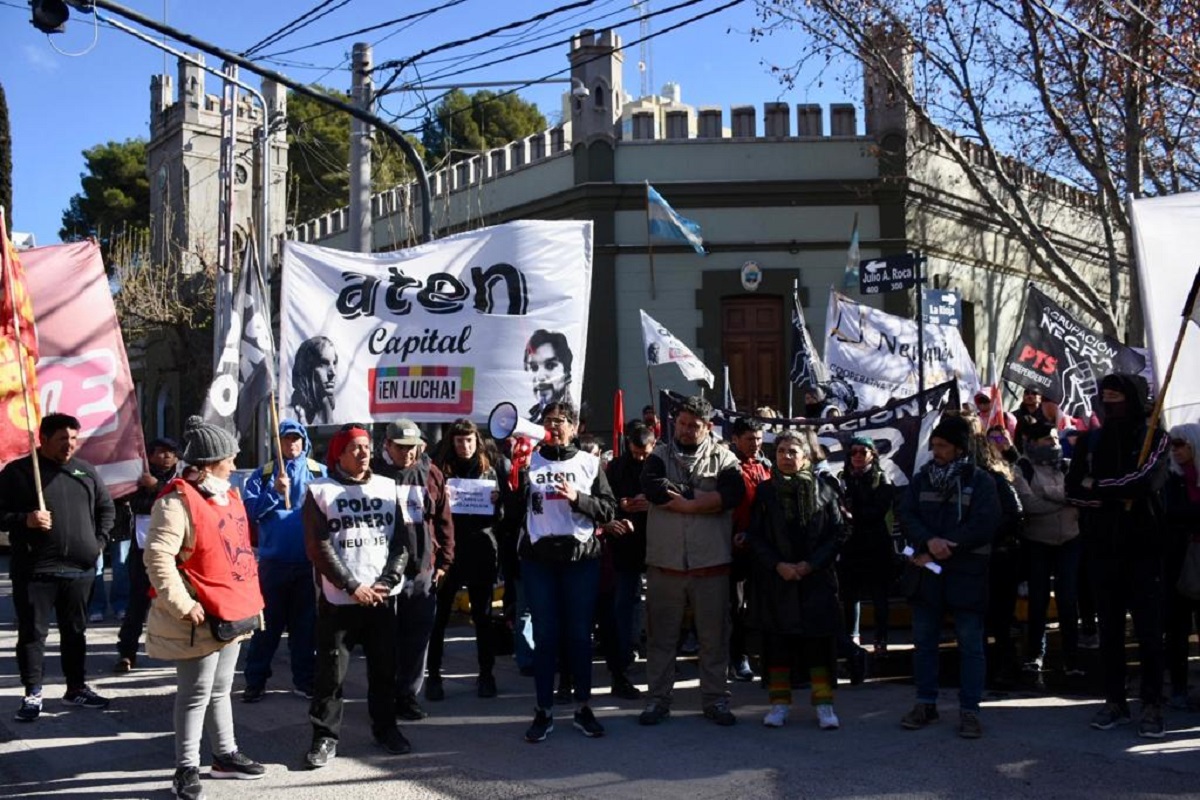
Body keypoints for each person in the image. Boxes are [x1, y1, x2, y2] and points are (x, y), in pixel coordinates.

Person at [143, 416, 266, 799]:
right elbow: (158, 556)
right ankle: (186, 767)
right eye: (230, 458)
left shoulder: (229, 494)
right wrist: (181, 604)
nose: (234, 464)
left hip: (231, 609)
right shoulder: (176, 501)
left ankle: (225, 755)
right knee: (195, 693)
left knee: (221, 688)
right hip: (198, 613)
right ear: (212, 462)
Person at [303, 425, 413, 769]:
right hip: (339, 599)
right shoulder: (320, 491)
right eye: (354, 448)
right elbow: (318, 546)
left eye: (366, 446)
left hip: (382, 597)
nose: (363, 453)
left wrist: (388, 579)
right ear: (338, 454)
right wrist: (352, 585)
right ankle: (324, 737)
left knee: (384, 670)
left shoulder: (387, 486)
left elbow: (402, 543)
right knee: (331, 674)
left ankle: (385, 728)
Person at [1066, 374, 1169, 738]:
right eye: (1105, 399)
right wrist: (1112, 492)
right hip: (1102, 549)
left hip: (1144, 549)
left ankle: (1153, 703)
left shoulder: (1155, 437)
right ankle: (1114, 700)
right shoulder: (1092, 440)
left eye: (1118, 399)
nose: (1111, 406)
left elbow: (1146, 482)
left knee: (1148, 632)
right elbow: (1073, 489)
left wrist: (1101, 488)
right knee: (1109, 630)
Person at [639, 396, 746, 727]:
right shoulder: (658, 455)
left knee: (713, 638)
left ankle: (715, 700)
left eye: (693, 426)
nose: (685, 430)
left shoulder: (725, 458)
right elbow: (654, 488)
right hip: (664, 564)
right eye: (682, 423)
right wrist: (702, 499)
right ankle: (657, 700)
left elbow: (733, 494)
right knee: (661, 639)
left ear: (708, 427)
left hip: (710, 564)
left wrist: (686, 504)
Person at [2, 413, 116, 722]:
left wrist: (98, 543)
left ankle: (76, 687)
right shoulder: (18, 473)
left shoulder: (85, 472)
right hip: (35, 570)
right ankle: (33, 692)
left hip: (79, 570)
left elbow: (106, 508)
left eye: (74, 439)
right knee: (32, 635)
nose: (70, 445)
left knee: (75, 633)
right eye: (63, 439)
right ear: (44, 439)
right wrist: (24, 519)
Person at [515, 400, 617, 742]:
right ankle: (543, 710)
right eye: (548, 421)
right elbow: (513, 510)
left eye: (560, 421)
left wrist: (578, 499)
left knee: (578, 636)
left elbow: (608, 510)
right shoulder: (529, 458)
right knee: (545, 637)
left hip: (580, 559)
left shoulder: (589, 463)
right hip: (539, 560)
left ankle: (582, 707)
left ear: (575, 428)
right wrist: (514, 476)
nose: (554, 426)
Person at [898, 413, 1001, 739]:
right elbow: (907, 515)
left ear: (959, 449)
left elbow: (986, 522)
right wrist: (928, 541)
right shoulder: (922, 478)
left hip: (967, 574)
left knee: (971, 645)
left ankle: (970, 710)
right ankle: (925, 703)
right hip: (928, 575)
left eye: (942, 446)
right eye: (934, 445)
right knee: (924, 643)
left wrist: (950, 545)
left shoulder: (981, 481)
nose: (936, 451)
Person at [746, 429, 848, 729]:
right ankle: (779, 705)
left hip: (815, 581)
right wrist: (778, 565)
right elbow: (756, 536)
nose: (786, 458)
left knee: (818, 647)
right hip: (778, 582)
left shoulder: (825, 488)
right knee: (778, 647)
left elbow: (838, 532)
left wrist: (810, 565)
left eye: (793, 452)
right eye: (781, 452)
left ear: (806, 456)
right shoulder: (766, 492)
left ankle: (824, 705)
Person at [370, 419, 454, 720]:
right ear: (388, 445)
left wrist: (444, 561)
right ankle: (384, 697)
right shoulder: (373, 474)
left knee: (417, 638)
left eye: (412, 447)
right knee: (384, 639)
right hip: (383, 570)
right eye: (401, 447)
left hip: (422, 568)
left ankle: (407, 696)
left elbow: (443, 519)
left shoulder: (430, 473)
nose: (407, 454)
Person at [240, 420, 327, 702]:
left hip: (307, 564)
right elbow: (249, 512)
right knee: (266, 628)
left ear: (303, 441)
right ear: (277, 443)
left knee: (305, 629)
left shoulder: (318, 471)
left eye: (296, 439)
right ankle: (255, 680)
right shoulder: (263, 474)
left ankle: (304, 680)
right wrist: (274, 492)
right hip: (273, 565)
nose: (291, 444)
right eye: (286, 439)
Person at [427, 418, 507, 700]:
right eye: (459, 441)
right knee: (439, 617)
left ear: (477, 441)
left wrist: (499, 502)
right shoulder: (440, 470)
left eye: (469, 440)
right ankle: (433, 676)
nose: (464, 446)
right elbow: (431, 511)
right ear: (452, 442)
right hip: (449, 551)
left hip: (482, 549)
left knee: (483, 616)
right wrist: (441, 498)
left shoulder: (491, 469)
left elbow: (504, 515)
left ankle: (486, 674)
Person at [1013, 423, 1083, 676]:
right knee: (1038, 600)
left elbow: (1082, 492)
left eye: (1055, 439)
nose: (1053, 444)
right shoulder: (1021, 468)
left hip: (1070, 540)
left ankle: (1072, 659)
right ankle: (1034, 654)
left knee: (1067, 599)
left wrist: (1053, 496)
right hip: (1037, 542)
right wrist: (1065, 499)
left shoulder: (1068, 465)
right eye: (1046, 440)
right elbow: (1029, 504)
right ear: (1031, 442)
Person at [114, 436, 181, 674]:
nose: (166, 457)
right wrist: (144, 486)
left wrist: (156, 487)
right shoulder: (138, 477)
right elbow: (135, 504)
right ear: (149, 455)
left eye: (171, 453)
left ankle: (180, 650)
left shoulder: (181, 479)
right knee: (137, 604)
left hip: (174, 555)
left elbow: (182, 502)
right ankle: (127, 652)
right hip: (142, 551)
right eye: (160, 452)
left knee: (177, 601)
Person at [600, 421, 656, 699]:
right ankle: (623, 657)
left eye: (644, 453)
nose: (640, 458)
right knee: (625, 601)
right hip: (625, 543)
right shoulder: (617, 466)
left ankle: (658, 656)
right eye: (635, 453)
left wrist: (654, 502)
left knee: (659, 603)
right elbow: (605, 499)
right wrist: (622, 504)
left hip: (658, 541)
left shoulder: (660, 462)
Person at [837, 435, 897, 657]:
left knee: (879, 594)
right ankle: (852, 637)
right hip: (851, 545)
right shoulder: (843, 478)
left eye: (863, 452)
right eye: (854, 452)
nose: (858, 456)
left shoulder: (882, 479)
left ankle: (881, 638)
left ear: (873, 454)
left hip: (876, 545)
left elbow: (878, 510)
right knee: (850, 595)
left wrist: (853, 514)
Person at [727, 417, 771, 683]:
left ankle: (763, 655)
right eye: (749, 439)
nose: (755, 444)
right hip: (735, 547)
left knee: (762, 604)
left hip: (762, 548)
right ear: (736, 439)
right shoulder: (728, 467)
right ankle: (737, 657)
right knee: (736, 607)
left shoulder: (766, 465)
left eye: (758, 438)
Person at [1163, 423, 1200, 710]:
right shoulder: (1168, 479)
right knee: (1176, 629)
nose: (1174, 450)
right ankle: (1177, 687)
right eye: (1172, 445)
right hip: (1175, 561)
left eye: (1180, 444)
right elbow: (1167, 514)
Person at [524, 329, 573, 424]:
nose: (540, 377)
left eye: (550, 365)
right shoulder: (531, 416)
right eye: (534, 367)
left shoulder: (577, 414)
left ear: (566, 370)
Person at [290, 336, 338, 425]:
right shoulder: (290, 413)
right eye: (324, 363)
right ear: (307, 368)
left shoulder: (331, 410)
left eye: (334, 363)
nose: (333, 373)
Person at [1011, 387, 1051, 452]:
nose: (1030, 396)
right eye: (1027, 393)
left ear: (1040, 398)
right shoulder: (1014, 415)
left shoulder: (1047, 416)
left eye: (1034, 393)